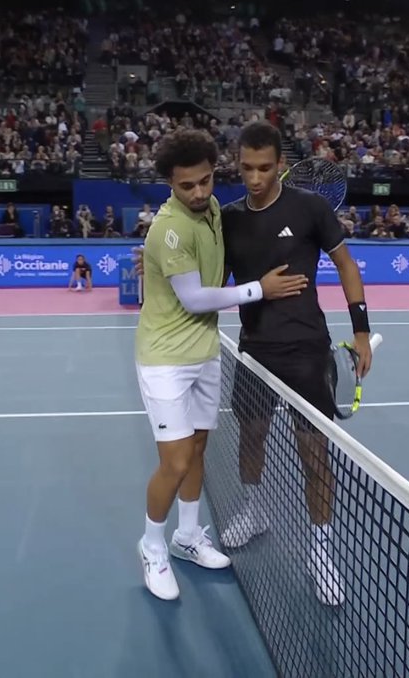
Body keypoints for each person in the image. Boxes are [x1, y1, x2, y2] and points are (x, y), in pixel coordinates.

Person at [132, 121, 373, 606]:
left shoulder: (311, 208)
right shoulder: (230, 216)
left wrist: (361, 331)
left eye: (265, 168)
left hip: (307, 351)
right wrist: (161, 266)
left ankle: (320, 550)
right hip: (254, 351)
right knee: (251, 438)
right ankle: (253, 509)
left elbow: (347, 265)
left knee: (314, 455)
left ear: (281, 164)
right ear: (236, 166)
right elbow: (210, 282)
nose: (256, 177)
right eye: (246, 168)